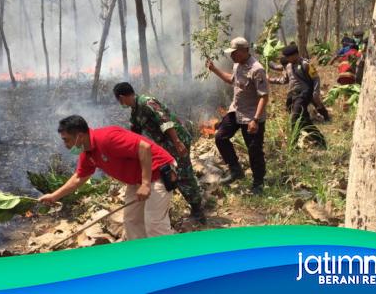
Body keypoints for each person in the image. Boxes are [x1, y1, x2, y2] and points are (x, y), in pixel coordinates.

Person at [39, 115, 176, 240]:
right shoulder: (87, 153)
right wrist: (53, 196)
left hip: (158, 172)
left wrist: (145, 184)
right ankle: (143, 259)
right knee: (132, 221)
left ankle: (171, 262)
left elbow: (144, 148)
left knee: (154, 224)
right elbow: (78, 178)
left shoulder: (107, 138)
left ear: (79, 136)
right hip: (137, 180)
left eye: (66, 140)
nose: (66, 145)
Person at [113, 82, 206, 223]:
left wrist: (177, 142)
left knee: (183, 174)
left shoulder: (146, 102)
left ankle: (198, 211)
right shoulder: (135, 111)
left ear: (121, 97)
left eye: (119, 101)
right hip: (166, 144)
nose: (121, 104)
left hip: (176, 140)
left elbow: (165, 121)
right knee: (170, 175)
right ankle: (177, 209)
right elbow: (135, 133)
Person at [205, 37, 269, 193]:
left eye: (235, 53)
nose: (232, 56)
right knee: (220, 137)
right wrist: (214, 70)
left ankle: (258, 183)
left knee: (254, 150)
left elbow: (264, 96)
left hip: (251, 117)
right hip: (236, 111)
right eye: (231, 53)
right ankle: (235, 170)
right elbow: (232, 80)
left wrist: (255, 120)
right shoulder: (237, 65)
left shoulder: (257, 69)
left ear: (245, 50)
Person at [268, 44, 326, 148]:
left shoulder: (306, 64)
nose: (286, 59)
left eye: (288, 57)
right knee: (303, 120)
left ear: (295, 55)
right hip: (292, 95)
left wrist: (316, 92)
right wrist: (270, 80)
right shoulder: (288, 66)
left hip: (304, 94)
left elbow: (316, 78)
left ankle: (293, 144)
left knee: (295, 118)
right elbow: (284, 80)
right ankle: (320, 140)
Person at [271, 56, 331, 122]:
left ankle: (326, 117)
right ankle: (301, 119)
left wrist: (316, 90)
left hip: (307, 88)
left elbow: (316, 78)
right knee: (291, 104)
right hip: (295, 90)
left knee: (316, 101)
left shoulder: (304, 64)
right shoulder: (288, 67)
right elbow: (277, 69)